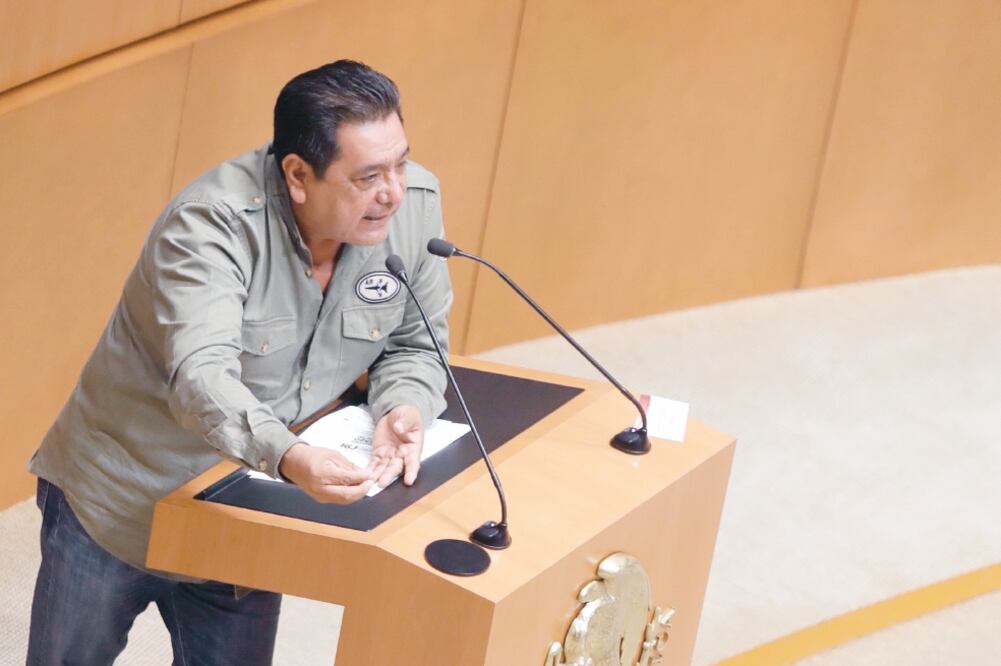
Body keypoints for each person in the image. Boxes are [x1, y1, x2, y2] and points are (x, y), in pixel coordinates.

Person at [26, 60, 451, 665]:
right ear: (298, 175)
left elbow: (416, 341)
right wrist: (290, 456)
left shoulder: (411, 209)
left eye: (400, 164)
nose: (394, 192)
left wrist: (403, 404)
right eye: (368, 176)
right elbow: (202, 379)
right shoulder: (209, 226)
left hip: (247, 508)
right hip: (122, 500)